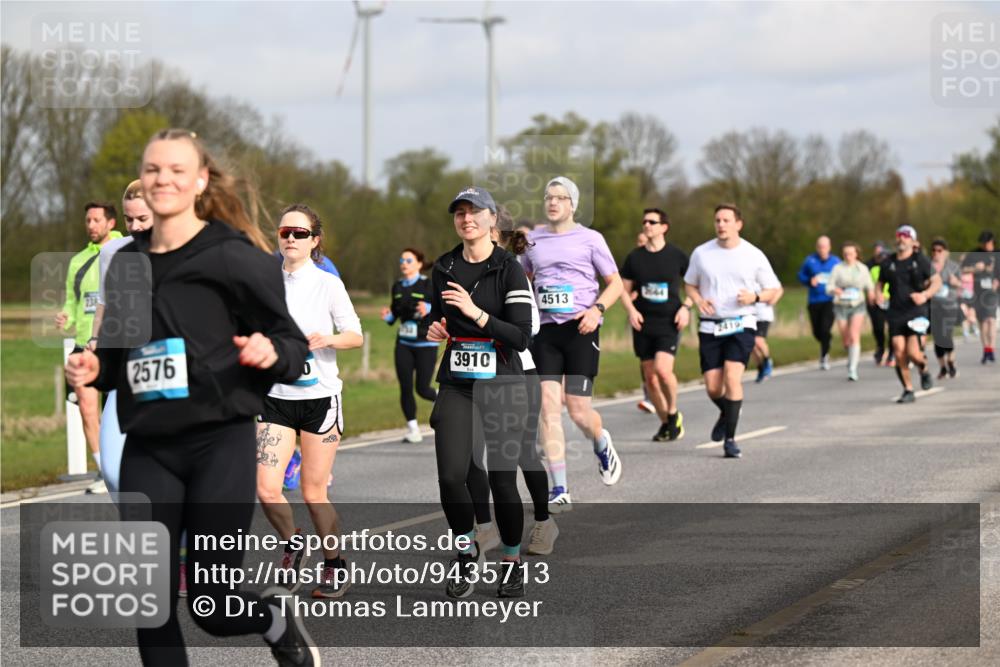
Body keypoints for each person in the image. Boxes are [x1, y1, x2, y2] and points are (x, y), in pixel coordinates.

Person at [65, 129, 317, 666]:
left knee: (213, 607)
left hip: (217, 444)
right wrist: (95, 366)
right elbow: (119, 357)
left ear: (200, 180)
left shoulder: (232, 257)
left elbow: (295, 347)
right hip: (149, 447)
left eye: (177, 170)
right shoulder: (126, 264)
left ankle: (270, 619)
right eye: (154, 169)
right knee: (148, 604)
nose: (164, 179)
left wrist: (271, 352)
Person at [425, 186, 534, 598]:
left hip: (504, 381)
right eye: (460, 213)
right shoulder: (445, 266)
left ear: (493, 220)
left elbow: (521, 336)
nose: (466, 219)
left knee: (503, 482)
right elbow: (439, 318)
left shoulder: (509, 269)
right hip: (458, 381)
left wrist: (476, 314)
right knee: (452, 477)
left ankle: (510, 559)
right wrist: (437, 328)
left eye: (475, 212)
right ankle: (466, 552)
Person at [256, 204, 363, 600]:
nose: (290, 238)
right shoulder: (264, 283)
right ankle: (293, 541)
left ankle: (335, 564)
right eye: (285, 231)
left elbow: (356, 335)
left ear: (314, 241)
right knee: (266, 487)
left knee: (313, 492)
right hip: (276, 398)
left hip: (320, 398)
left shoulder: (327, 284)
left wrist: (327, 338)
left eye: (300, 233)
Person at [521, 176, 624, 512]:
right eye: (549, 197)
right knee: (548, 408)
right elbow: (522, 281)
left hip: (581, 329)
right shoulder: (532, 240)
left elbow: (615, 284)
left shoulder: (591, 239)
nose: (553, 202)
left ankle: (600, 440)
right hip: (546, 333)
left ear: (573, 204)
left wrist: (597, 310)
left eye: (561, 198)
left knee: (578, 410)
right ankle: (560, 487)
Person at [684, 204, 782, 459]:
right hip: (710, 325)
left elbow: (773, 289)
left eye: (726, 220)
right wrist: (697, 300)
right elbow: (690, 284)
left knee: (732, 378)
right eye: (717, 220)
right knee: (713, 388)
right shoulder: (702, 253)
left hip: (742, 323)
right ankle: (728, 411)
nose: (721, 224)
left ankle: (730, 439)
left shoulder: (753, 254)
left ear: (738, 224)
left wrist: (755, 296)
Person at [489, 206, 558, 555]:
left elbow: (528, 329)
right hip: (481, 374)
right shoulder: (470, 270)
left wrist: (485, 326)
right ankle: (486, 528)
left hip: (520, 372)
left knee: (522, 453)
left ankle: (544, 522)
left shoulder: (512, 270)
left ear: (493, 233)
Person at [55, 200, 123, 491]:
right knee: (85, 407)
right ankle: (103, 470)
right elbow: (72, 300)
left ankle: (126, 462)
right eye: (88, 221)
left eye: (97, 220)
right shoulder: (78, 261)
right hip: (85, 343)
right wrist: (65, 314)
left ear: (111, 223)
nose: (91, 225)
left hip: (117, 345)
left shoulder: (127, 248)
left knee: (118, 411)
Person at [90, 182, 153, 493]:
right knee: (114, 473)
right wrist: (94, 343)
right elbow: (105, 303)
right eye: (130, 219)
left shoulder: (185, 251)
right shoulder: (112, 251)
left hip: (173, 379)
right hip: (125, 371)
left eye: (143, 218)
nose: (136, 226)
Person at [619, 207, 691, 441]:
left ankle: (672, 412)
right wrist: (630, 310)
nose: (647, 225)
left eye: (652, 222)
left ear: (664, 227)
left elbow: (695, 285)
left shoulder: (677, 256)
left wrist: (686, 307)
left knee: (662, 370)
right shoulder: (634, 257)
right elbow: (622, 289)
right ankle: (667, 424)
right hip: (643, 323)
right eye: (644, 222)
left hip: (669, 321)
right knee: (650, 378)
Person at [877, 224, 941, 403]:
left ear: (913, 241)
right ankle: (908, 389)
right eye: (899, 235)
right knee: (898, 351)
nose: (901, 238)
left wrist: (925, 295)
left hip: (917, 311)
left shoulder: (920, 260)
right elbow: (880, 284)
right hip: (896, 311)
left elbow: (937, 282)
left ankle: (924, 369)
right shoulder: (888, 262)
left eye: (906, 235)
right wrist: (878, 294)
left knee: (913, 352)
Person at [381, 248, 439, 443]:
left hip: (426, 343)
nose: (403, 263)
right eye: (401, 260)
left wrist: (429, 308)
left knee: (422, 389)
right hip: (404, 343)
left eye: (408, 260)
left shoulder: (429, 284)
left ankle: (444, 399)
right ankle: (413, 429)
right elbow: (394, 316)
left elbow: (441, 310)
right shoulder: (397, 286)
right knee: (405, 387)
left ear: (419, 264)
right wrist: (388, 317)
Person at [826, 241, 876, 381]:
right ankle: (850, 355)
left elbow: (869, 286)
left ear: (856, 254)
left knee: (854, 335)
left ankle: (852, 368)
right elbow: (829, 287)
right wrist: (835, 290)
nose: (848, 256)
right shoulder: (837, 268)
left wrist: (871, 294)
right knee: (846, 339)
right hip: (841, 305)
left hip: (857, 304)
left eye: (851, 253)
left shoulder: (863, 269)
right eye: (846, 254)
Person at [797, 235, 840, 370]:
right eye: (820, 247)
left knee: (825, 328)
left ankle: (824, 355)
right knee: (817, 332)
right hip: (814, 300)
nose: (822, 249)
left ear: (829, 247)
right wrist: (809, 280)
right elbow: (800, 275)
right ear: (817, 247)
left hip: (830, 300)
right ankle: (827, 341)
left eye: (825, 247)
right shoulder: (810, 260)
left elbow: (842, 278)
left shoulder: (836, 262)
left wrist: (840, 289)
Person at [961, 230, 998, 364]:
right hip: (978, 293)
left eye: (988, 243)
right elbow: (963, 269)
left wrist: (997, 281)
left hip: (993, 293)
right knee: (982, 322)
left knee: (991, 320)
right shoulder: (974, 254)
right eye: (983, 243)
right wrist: (975, 268)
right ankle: (986, 350)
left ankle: (991, 349)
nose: (986, 246)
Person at [929, 238, 962, 378]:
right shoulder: (927, 266)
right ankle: (942, 367)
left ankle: (951, 362)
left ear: (946, 252)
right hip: (933, 305)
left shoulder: (953, 267)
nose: (936, 253)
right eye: (934, 250)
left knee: (946, 334)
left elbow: (961, 285)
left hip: (949, 305)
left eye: (939, 250)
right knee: (937, 337)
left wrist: (956, 282)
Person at [866, 241, 894, 367]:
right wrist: (872, 294)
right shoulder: (870, 266)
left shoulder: (892, 266)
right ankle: (880, 348)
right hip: (877, 301)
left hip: (892, 301)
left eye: (883, 255)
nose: (881, 258)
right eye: (878, 255)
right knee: (878, 328)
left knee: (893, 328)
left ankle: (892, 352)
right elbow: (867, 283)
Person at [752, 287, 783, 383]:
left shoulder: (764, 273)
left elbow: (779, 289)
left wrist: (773, 300)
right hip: (749, 315)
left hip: (763, 315)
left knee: (758, 341)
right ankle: (760, 368)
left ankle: (767, 361)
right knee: (751, 345)